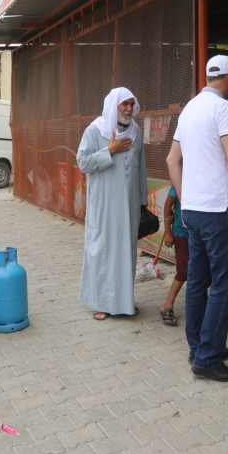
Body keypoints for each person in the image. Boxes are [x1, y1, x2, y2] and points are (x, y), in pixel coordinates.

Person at [166, 54, 228, 382]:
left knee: (198, 281)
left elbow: (173, 160)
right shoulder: (224, 108)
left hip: (194, 210)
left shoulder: (190, 108)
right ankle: (208, 358)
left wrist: (185, 199)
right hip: (220, 209)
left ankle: (199, 346)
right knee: (224, 284)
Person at [77, 87, 147, 321]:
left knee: (126, 254)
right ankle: (101, 303)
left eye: (131, 104)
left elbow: (141, 169)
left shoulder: (136, 132)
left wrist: (142, 203)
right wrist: (110, 150)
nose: (128, 109)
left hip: (128, 208)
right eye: (123, 104)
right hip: (104, 206)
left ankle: (124, 302)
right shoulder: (95, 130)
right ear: (113, 105)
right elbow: (83, 162)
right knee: (103, 252)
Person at [159, 186, 188, 326]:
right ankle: (168, 304)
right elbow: (167, 206)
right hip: (181, 233)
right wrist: (168, 232)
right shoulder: (179, 181)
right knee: (183, 272)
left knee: (201, 271)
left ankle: (200, 305)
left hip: (200, 233)